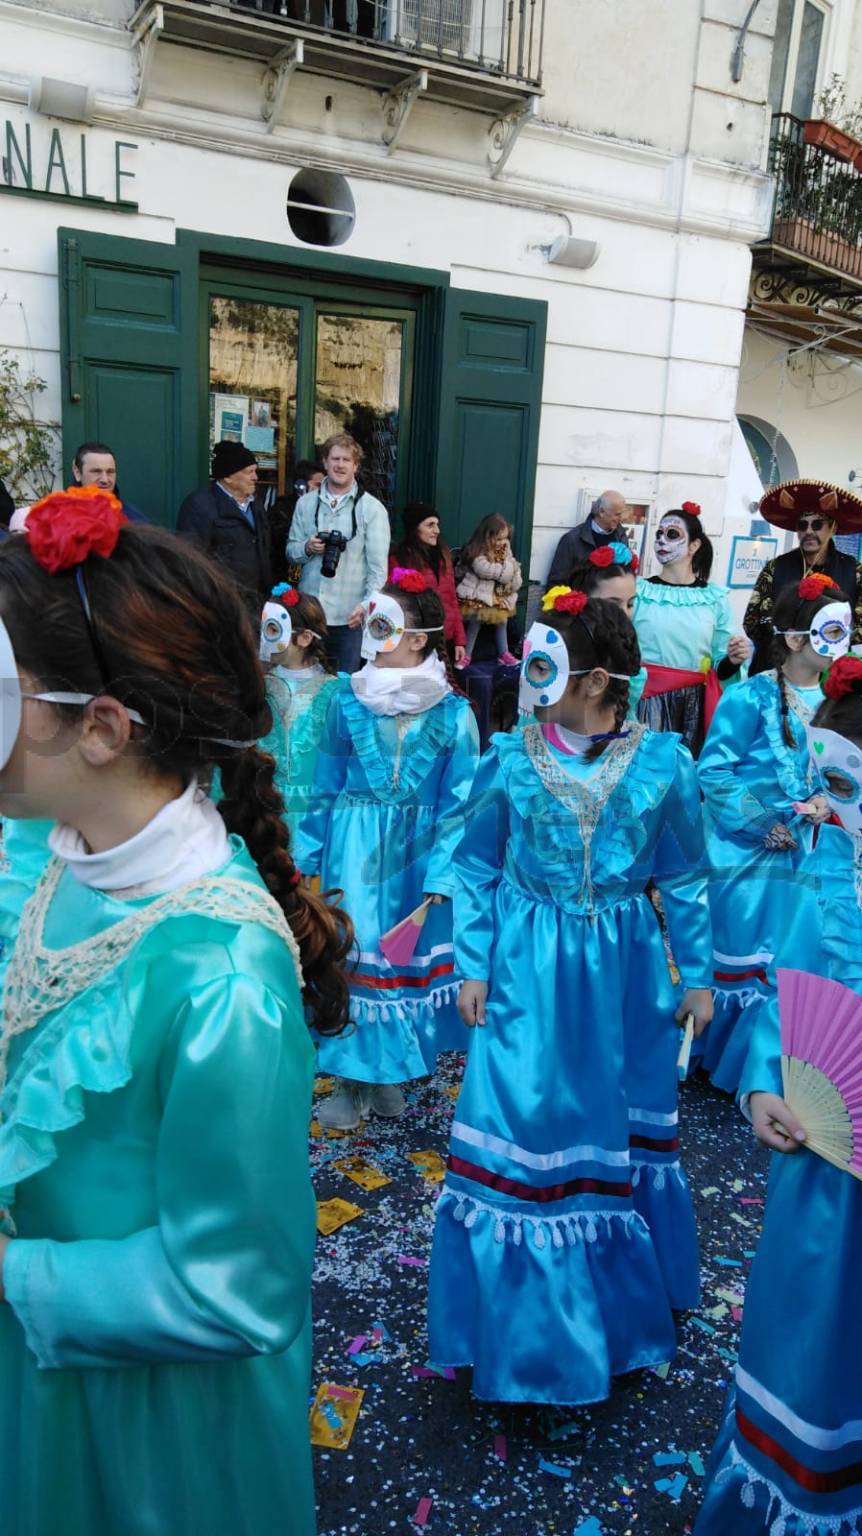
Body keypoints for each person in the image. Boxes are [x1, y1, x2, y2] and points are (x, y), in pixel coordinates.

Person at [0, 487, 352, 1536]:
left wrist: (15, 1273)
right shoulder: (47, 853)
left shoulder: (223, 980)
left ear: (102, 729)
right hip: (40, 1366)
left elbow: (239, 1287)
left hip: (148, 1422)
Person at [427, 591, 713, 1405]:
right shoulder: (511, 757)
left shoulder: (665, 765)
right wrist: (473, 964)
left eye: (545, 664)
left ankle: (611, 1317)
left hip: (620, 982)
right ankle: (521, 1335)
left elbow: (686, 875)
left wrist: (696, 977)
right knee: (523, 1121)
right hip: (525, 972)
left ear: (594, 681)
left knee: (612, 1127)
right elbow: (476, 865)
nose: (528, 677)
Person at [695, 655, 862, 1536]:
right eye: (829, 785)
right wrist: (762, 1076)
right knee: (812, 1330)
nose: (832, 809)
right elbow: (795, 976)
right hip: (828, 1161)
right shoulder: (834, 861)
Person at [295, 569, 480, 1132]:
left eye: (384, 625)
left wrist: (445, 872)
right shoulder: (345, 702)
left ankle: (386, 1072)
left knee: (399, 962)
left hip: (419, 860)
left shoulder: (454, 713)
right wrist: (303, 859)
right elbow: (323, 785)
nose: (371, 635)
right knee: (355, 956)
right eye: (370, 622)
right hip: (352, 857)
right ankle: (352, 1080)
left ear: (419, 638)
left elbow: (463, 803)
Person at [695, 576, 847, 1093]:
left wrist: (833, 801)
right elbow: (713, 772)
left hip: (811, 855)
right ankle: (721, 1064)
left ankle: (766, 1072)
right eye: (829, 632)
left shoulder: (841, 700)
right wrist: (762, 820)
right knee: (741, 954)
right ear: (796, 638)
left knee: (791, 960)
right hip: (744, 854)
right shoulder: (750, 697)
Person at [633, 503, 750, 756]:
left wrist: (732, 659)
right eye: (659, 534)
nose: (662, 540)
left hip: (692, 708)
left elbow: (721, 663)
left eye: (672, 534)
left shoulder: (714, 599)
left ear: (694, 546)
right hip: (643, 702)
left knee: (685, 778)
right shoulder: (639, 591)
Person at [287, 433, 390, 675]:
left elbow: (378, 570)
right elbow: (291, 552)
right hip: (309, 615)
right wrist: (307, 548)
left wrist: (366, 605)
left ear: (356, 465)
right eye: (335, 458)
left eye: (346, 460)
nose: (340, 465)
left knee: (343, 687)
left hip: (349, 618)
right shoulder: (305, 504)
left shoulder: (372, 509)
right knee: (305, 684)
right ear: (325, 462)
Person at [743, 478, 862, 674]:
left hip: (828, 671)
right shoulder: (776, 567)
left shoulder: (853, 571)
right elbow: (751, 621)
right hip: (776, 668)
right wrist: (788, 634)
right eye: (802, 525)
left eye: (817, 525)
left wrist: (823, 635)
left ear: (833, 528)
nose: (808, 531)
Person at [257, 582, 341, 846]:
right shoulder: (259, 686)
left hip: (313, 818)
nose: (264, 637)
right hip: (263, 812)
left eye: (273, 629)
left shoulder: (336, 692)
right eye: (264, 628)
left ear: (304, 638)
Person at [176, 440, 271, 613]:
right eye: (249, 472)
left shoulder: (256, 504)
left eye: (255, 471)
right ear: (228, 476)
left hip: (257, 604)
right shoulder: (199, 506)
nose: (255, 477)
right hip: (222, 606)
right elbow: (192, 560)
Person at [561, 541, 648, 715]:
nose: (624, 614)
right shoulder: (562, 648)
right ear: (583, 599)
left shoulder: (628, 646)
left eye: (630, 604)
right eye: (613, 604)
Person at [389, 501, 466, 666]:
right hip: (417, 638)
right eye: (430, 525)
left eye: (437, 525)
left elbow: (452, 598)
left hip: (446, 638)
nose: (437, 530)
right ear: (415, 528)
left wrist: (460, 639)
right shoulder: (400, 559)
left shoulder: (443, 556)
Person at [456, 514, 522, 668]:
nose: (502, 542)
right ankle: (467, 655)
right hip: (477, 596)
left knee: (502, 621)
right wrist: (507, 571)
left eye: (505, 538)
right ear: (487, 537)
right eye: (498, 539)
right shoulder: (476, 550)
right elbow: (484, 569)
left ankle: (504, 654)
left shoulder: (505, 550)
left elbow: (514, 568)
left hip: (496, 596)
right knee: (476, 621)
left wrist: (512, 574)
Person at [545, 490, 629, 588]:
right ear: (601, 512)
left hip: (612, 601)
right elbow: (556, 582)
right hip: (583, 601)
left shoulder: (621, 535)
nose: (622, 518)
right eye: (617, 514)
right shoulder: (572, 540)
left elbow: (627, 573)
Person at [72, 441, 147, 523]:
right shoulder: (60, 516)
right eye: (96, 471)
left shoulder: (133, 519)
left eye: (110, 472)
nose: (105, 480)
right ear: (77, 473)